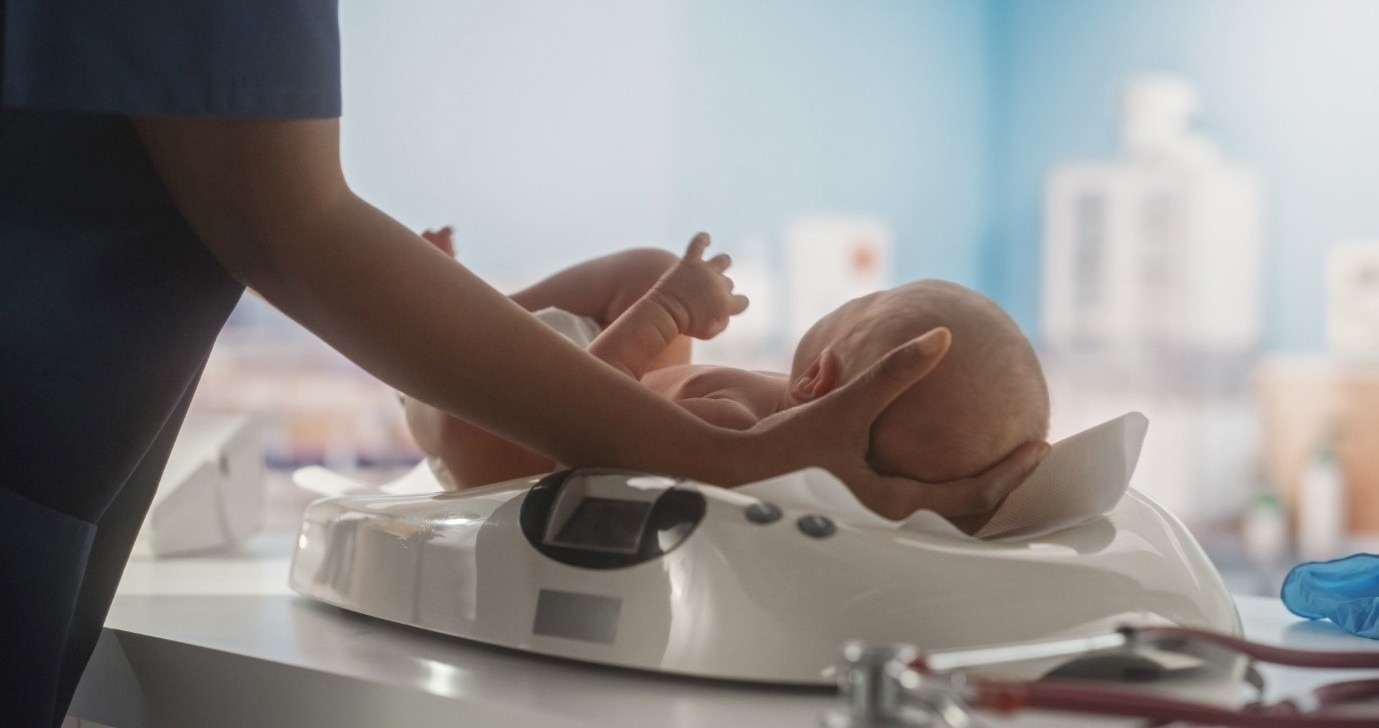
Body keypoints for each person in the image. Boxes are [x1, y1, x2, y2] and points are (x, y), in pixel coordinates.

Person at [0, 3, 1047, 725]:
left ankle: (465, 328)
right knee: (638, 271)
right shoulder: (756, 421)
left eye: (850, 327)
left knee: (608, 316)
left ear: (834, 378)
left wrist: (672, 387)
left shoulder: (753, 432)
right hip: (44, 435)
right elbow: (285, 211)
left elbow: (285, 214)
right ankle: (470, 320)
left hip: (497, 446)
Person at [406, 230, 1050, 533]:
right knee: (651, 266)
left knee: (652, 275)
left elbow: (572, 417)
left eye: (864, 303)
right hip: (604, 376)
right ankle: (481, 306)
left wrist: (664, 313)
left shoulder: (735, 427)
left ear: (818, 378)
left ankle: (446, 309)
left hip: (497, 430)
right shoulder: (779, 420)